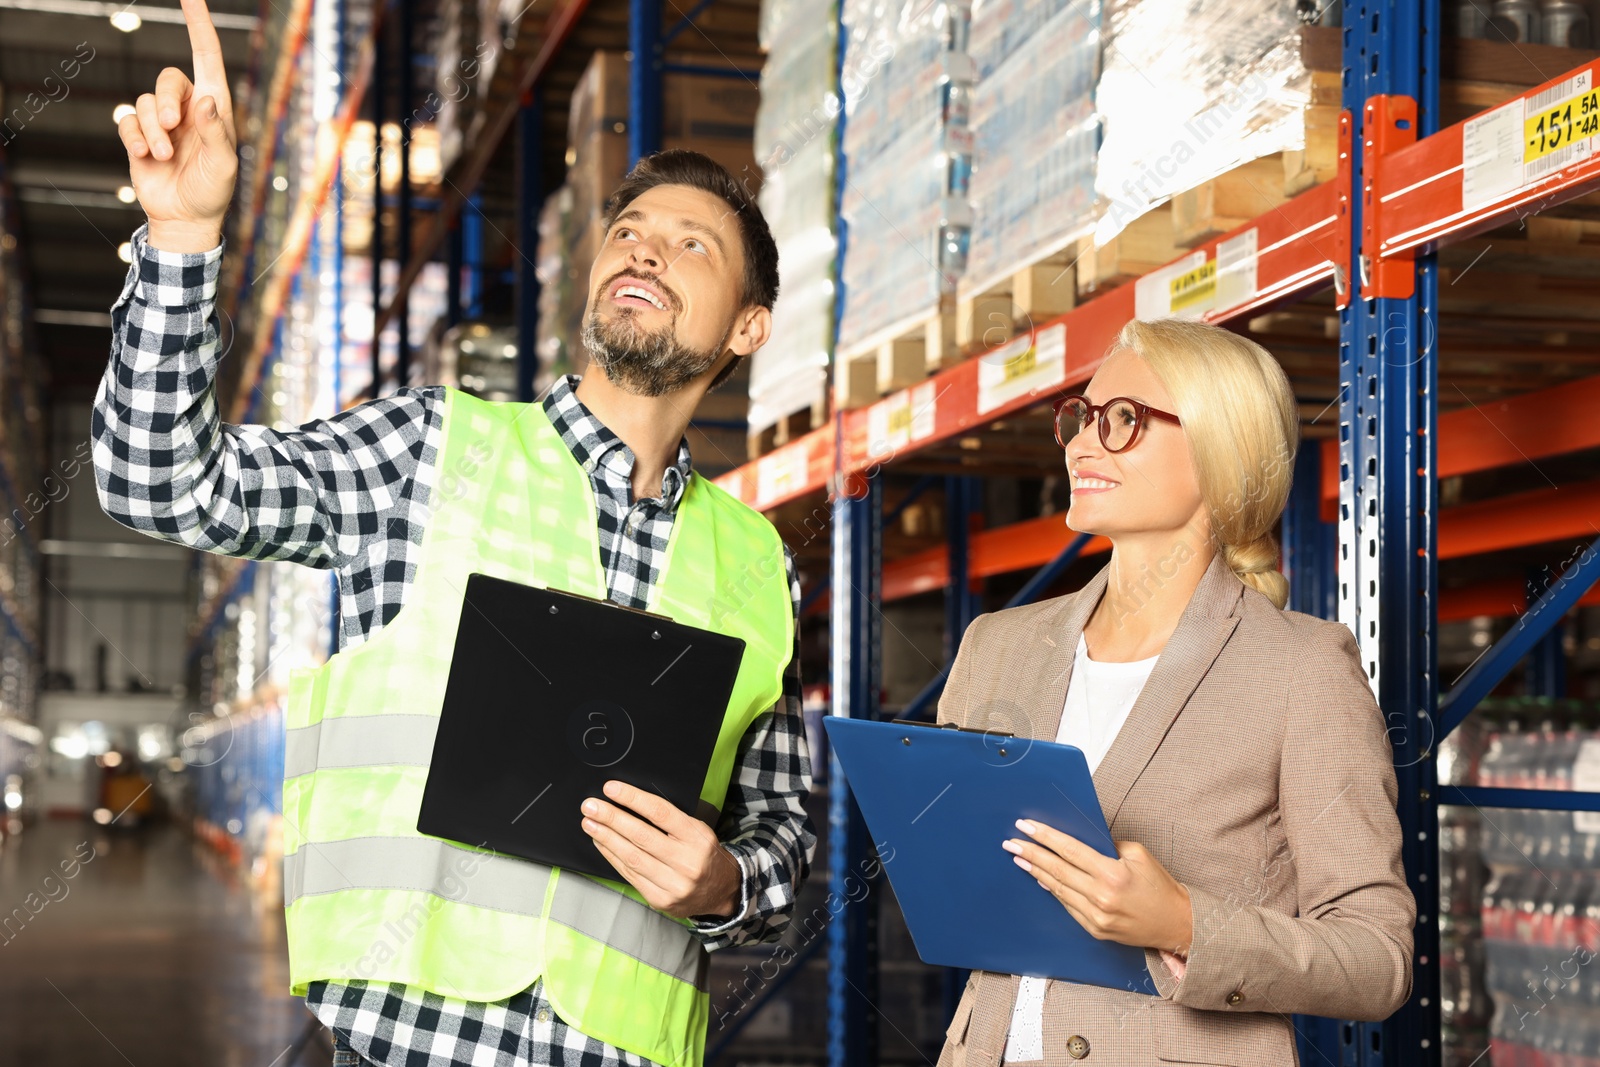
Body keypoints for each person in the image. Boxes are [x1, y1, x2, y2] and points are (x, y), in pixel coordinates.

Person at [97, 2, 816, 1065]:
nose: (644, 252)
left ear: (750, 328)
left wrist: (724, 882)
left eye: (690, 244)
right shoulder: (431, 447)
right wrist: (183, 236)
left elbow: (785, 837)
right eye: (626, 232)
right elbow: (164, 482)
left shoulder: (758, 563)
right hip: (403, 1039)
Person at [934, 318, 1414, 1066]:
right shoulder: (994, 647)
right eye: (1080, 418)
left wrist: (1186, 922)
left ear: (1222, 451)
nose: (1081, 444)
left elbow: (1378, 956)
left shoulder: (1303, 670)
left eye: (1122, 420)